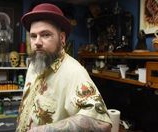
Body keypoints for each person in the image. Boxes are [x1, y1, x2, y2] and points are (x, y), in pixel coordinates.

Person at [17, 3, 112, 132]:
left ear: (62, 38)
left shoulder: (74, 72)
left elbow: (101, 122)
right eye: (33, 36)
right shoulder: (35, 63)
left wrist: (42, 130)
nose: (37, 42)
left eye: (45, 35)